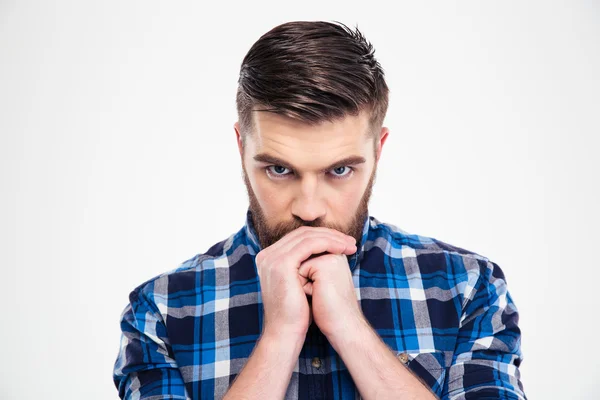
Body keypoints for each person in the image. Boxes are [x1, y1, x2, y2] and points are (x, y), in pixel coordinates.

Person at [113, 21, 526, 400]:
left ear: (378, 151)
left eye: (340, 170)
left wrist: (350, 329)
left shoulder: (468, 287)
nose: (309, 209)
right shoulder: (162, 311)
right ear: (242, 148)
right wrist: (279, 338)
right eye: (279, 169)